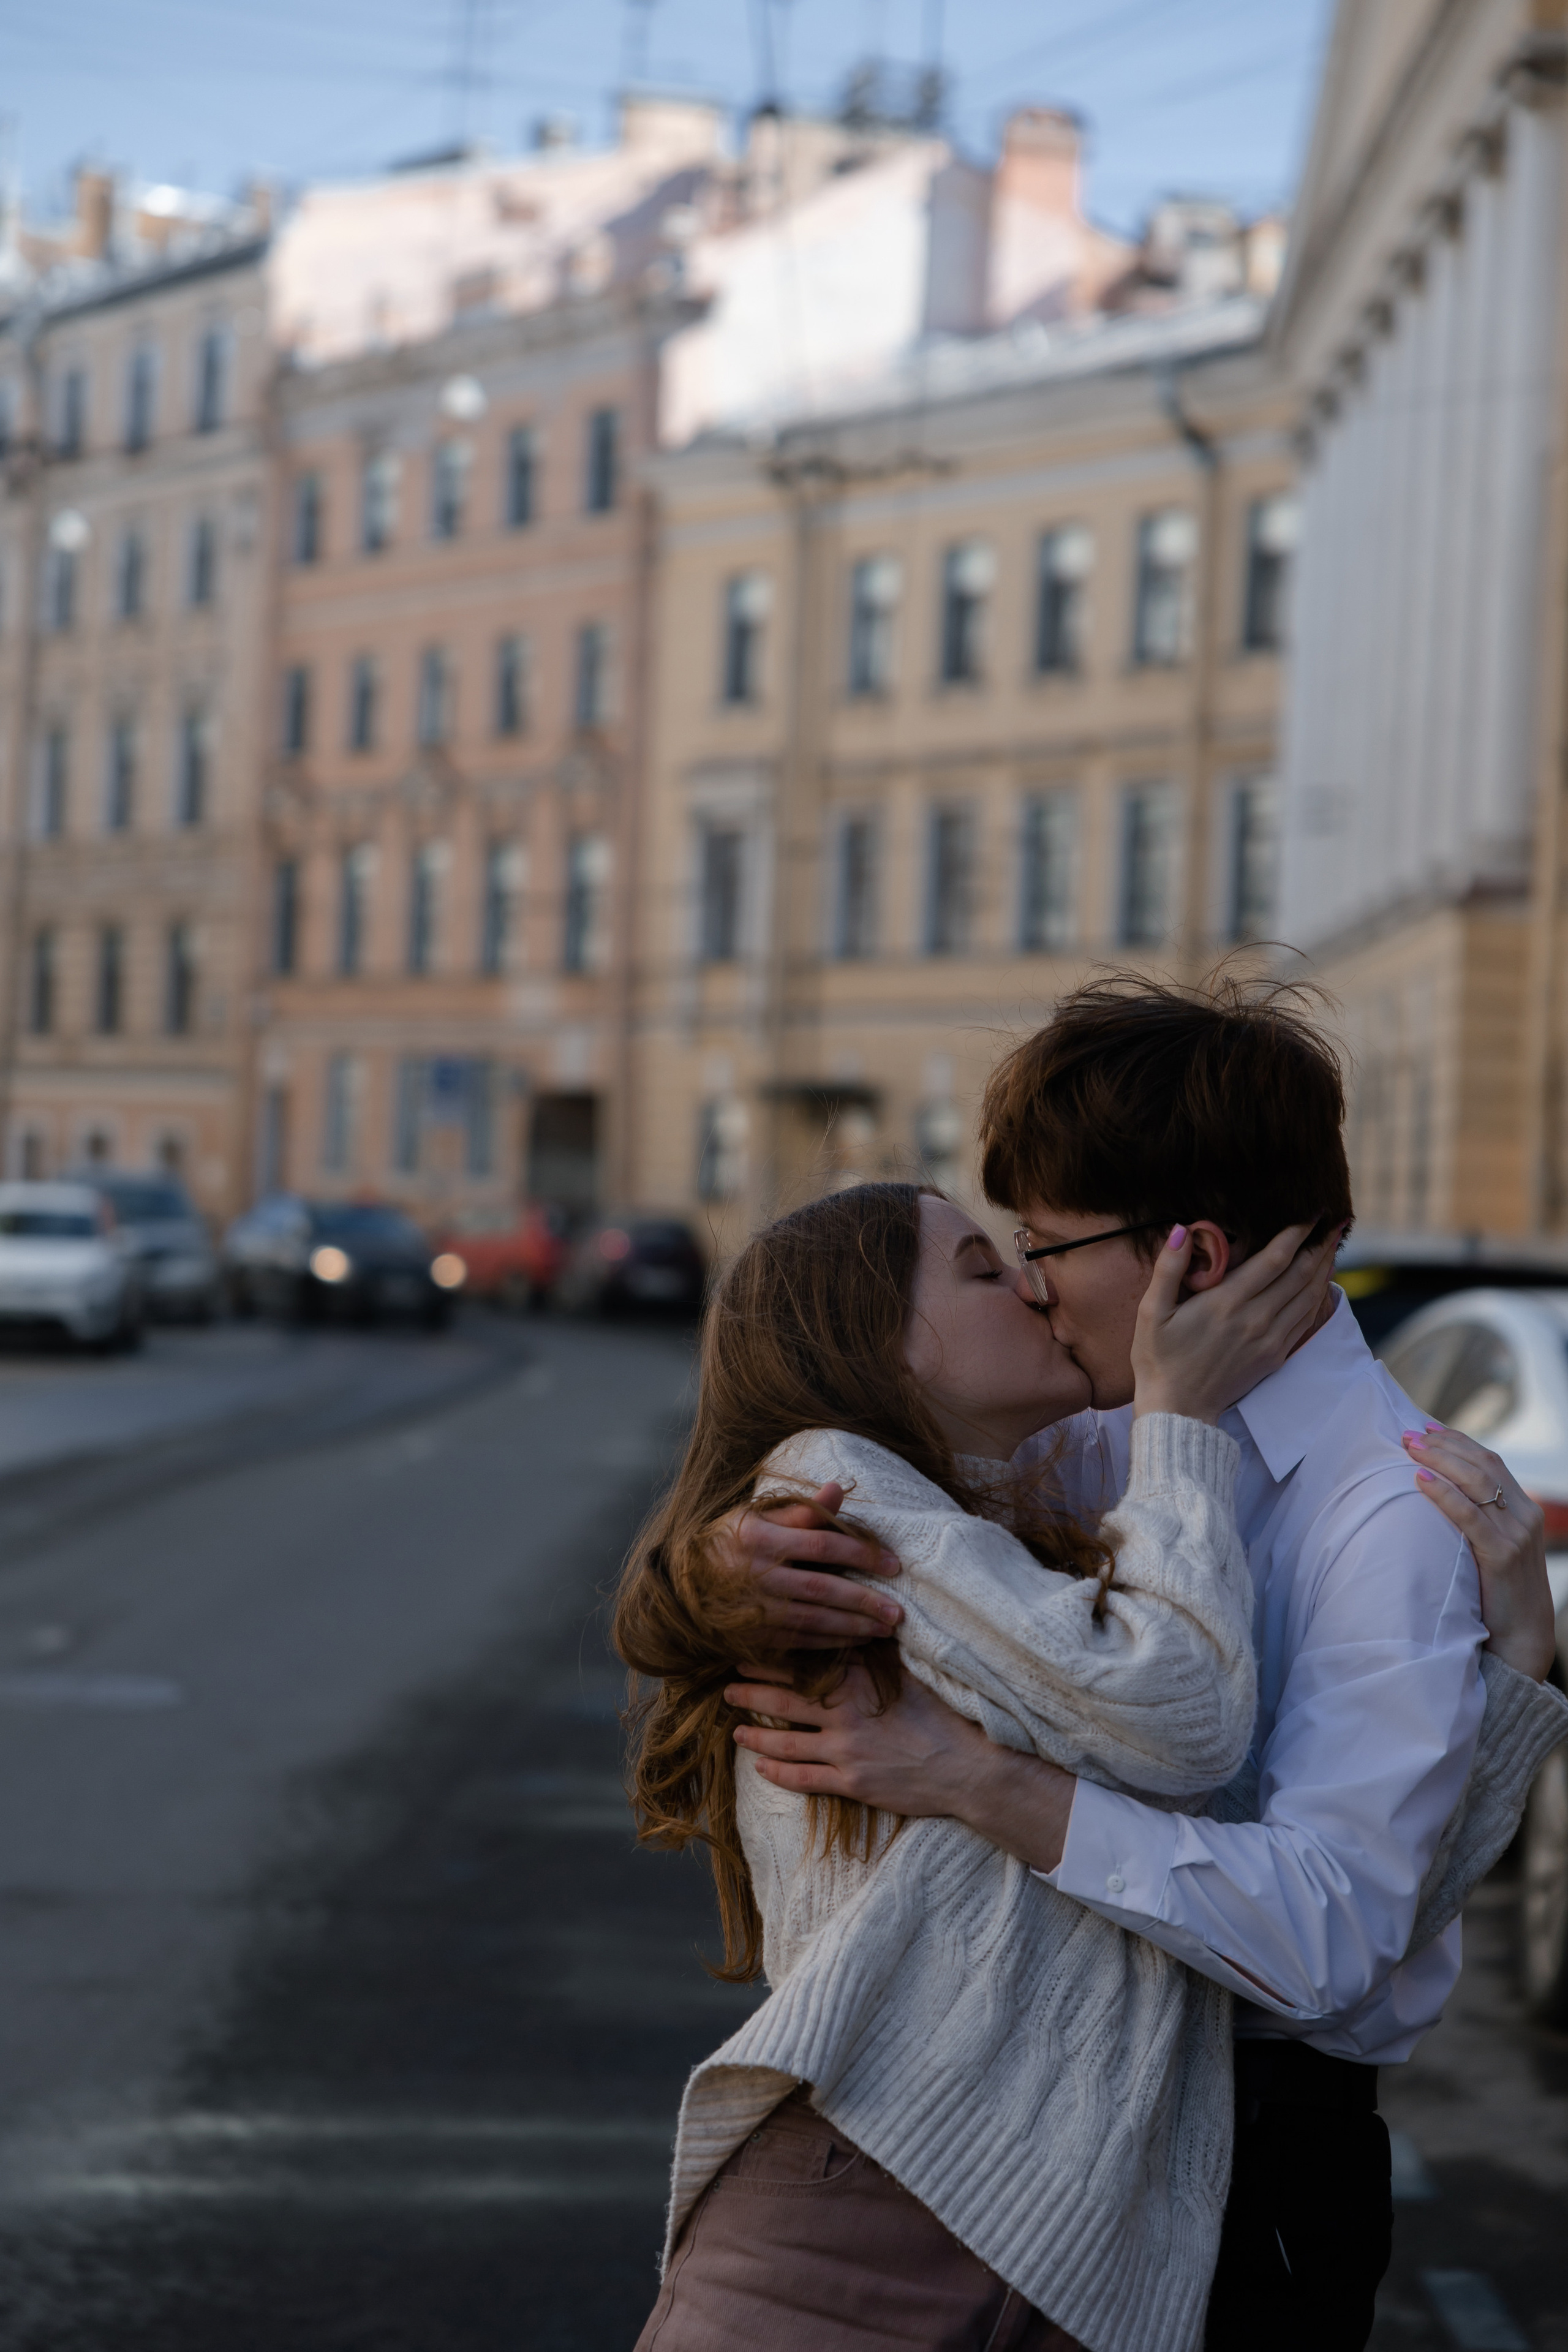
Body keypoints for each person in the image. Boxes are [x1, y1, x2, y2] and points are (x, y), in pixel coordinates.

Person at [722, 971, 1568, 2352]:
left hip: (1243, 2163)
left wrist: (979, 1784)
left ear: (1194, 1255)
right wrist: (702, 1571)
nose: (1030, 1287)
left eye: (1046, 1245)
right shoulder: (1089, 1427)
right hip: (1005, 2109)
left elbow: (1324, 1937)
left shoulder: (1390, 1513)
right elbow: (848, 1478)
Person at [616, 1180, 1340, 2352]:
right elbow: (1183, 1718)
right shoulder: (832, 1488)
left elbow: (1276, 1875)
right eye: (979, 1268)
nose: (1031, 1285)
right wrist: (1182, 1419)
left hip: (1058, 2240)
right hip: (870, 2210)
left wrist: (1504, 1677)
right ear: (871, 1344)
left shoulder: (1001, 1531)